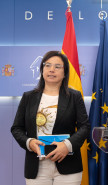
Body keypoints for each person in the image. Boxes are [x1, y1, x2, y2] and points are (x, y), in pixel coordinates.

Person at [11, 51, 90, 185]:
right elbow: (16, 128)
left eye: (57, 66)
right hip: (36, 166)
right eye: (47, 65)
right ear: (42, 70)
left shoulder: (74, 96)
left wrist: (67, 145)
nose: (52, 70)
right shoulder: (28, 97)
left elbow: (85, 126)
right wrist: (29, 142)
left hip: (68, 165)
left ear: (65, 73)